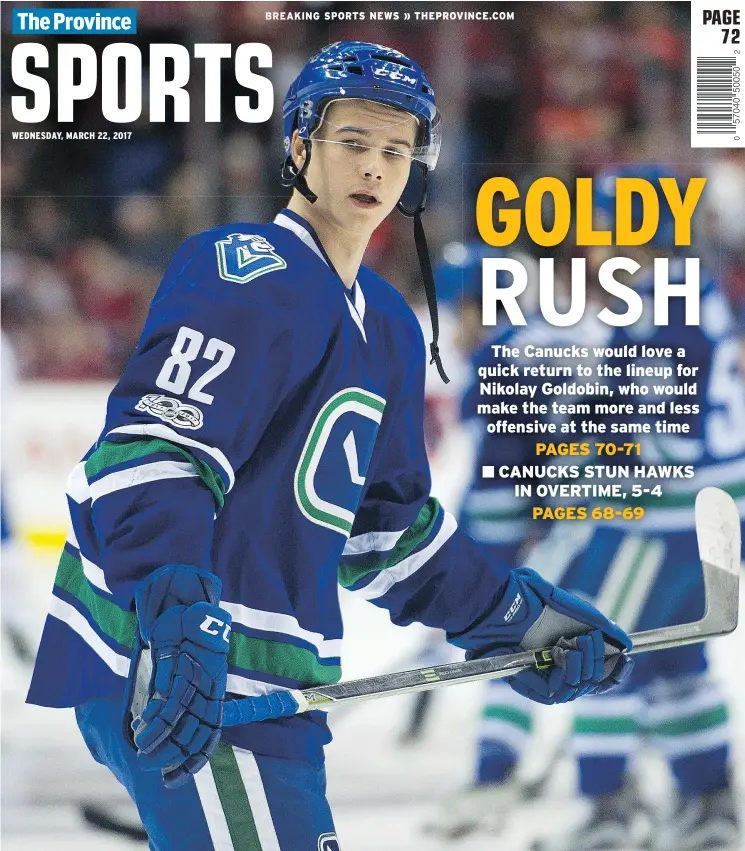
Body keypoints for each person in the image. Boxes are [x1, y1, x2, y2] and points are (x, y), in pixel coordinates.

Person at [26, 42, 632, 851]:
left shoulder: (385, 325)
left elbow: (388, 533)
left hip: (268, 690)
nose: (375, 168)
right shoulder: (242, 271)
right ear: (300, 145)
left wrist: (514, 617)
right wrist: (175, 616)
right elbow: (153, 451)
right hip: (182, 669)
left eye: (394, 149)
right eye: (353, 142)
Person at [535, 166, 744, 851]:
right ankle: (708, 800)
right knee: (674, 663)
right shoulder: (692, 293)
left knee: (598, 649)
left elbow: (662, 424)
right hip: (709, 518)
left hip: (655, 524)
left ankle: (608, 810)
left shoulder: (654, 304)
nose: (588, 246)